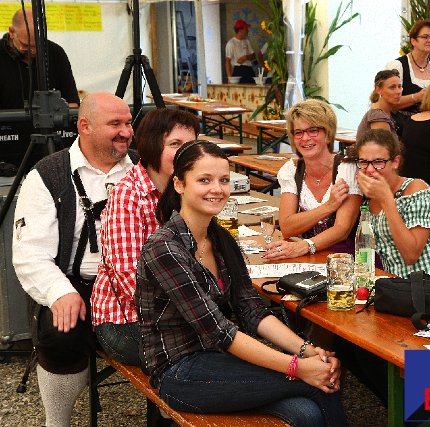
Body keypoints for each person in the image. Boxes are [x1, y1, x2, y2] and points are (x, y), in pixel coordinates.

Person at [136, 140, 347, 426]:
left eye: (224, 180)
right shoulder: (164, 248)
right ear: (179, 184)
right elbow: (221, 332)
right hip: (180, 373)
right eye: (204, 180)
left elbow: (251, 310)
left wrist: (310, 351)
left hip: (218, 358)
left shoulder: (221, 238)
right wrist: (298, 367)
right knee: (316, 387)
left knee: (306, 411)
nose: (217, 189)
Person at [12, 92, 134, 427]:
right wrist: (59, 292)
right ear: (85, 126)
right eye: (115, 124)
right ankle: (57, 421)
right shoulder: (48, 174)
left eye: (128, 123)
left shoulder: (141, 169)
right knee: (61, 332)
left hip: (133, 284)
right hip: (77, 284)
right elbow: (30, 251)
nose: (126, 132)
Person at [91, 108, 199, 367]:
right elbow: (130, 281)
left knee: (228, 340)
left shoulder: (186, 188)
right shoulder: (127, 196)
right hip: (124, 320)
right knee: (205, 351)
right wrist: (194, 312)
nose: (186, 153)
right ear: (152, 146)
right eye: (175, 144)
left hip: (180, 309)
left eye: (192, 145)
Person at [263, 99, 362, 260]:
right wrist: (328, 206)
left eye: (313, 131)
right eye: (298, 132)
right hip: (309, 257)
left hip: (346, 259)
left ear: (328, 135)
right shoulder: (291, 170)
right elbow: (287, 227)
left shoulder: (347, 168)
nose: (305, 138)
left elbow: (342, 230)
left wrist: (304, 246)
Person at [355, 128, 430, 279]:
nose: (370, 169)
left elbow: (411, 255)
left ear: (395, 162)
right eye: (363, 162)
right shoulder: (367, 198)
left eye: (378, 162)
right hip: (396, 284)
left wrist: (386, 200)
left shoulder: (416, 189)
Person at [0, 8, 79, 167]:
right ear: (12, 32)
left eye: (38, 45)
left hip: (50, 151)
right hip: (7, 153)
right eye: (26, 45)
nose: (33, 51)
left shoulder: (55, 53)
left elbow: (72, 103)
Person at [385, 19, 430, 136]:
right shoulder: (398, 66)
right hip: (405, 130)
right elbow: (387, 103)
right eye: (425, 37)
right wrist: (417, 97)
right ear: (413, 41)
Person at [355, 69, 402, 141]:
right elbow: (385, 146)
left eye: (399, 86)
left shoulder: (388, 112)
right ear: (378, 90)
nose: (398, 91)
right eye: (392, 87)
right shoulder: (378, 116)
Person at [225, 19, 256, 84]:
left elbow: (254, 56)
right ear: (240, 30)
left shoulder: (247, 41)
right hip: (238, 70)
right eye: (246, 29)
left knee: (254, 89)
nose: (248, 31)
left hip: (249, 70)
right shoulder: (231, 43)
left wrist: (246, 57)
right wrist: (229, 78)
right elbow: (228, 61)